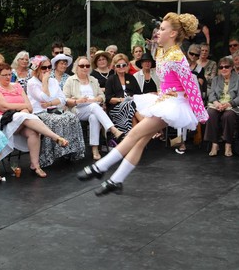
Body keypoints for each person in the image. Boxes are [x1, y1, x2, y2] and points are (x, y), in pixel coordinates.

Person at [78, 12, 208, 196]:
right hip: (163, 100)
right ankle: (116, 180)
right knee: (140, 140)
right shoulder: (162, 51)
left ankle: (100, 167)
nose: (158, 32)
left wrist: (201, 114)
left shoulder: (177, 57)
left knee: (134, 133)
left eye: (162, 29)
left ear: (172, 34)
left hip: (173, 104)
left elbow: (191, 87)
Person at [0, 63, 69, 178]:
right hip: (3, 120)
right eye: (4, 75)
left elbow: (30, 107)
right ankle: (55, 137)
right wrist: (22, 108)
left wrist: (22, 109)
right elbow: (3, 107)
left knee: (33, 132)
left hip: (21, 121)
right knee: (22, 116)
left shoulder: (17, 86)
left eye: (10, 74)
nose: (8, 77)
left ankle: (35, 165)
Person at [27, 56, 85, 167]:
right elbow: (44, 98)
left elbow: (63, 99)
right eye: (44, 68)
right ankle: (51, 155)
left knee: (72, 117)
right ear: (37, 69)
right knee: (56, 120)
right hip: (39, 113)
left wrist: (50, 103)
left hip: (53, 109)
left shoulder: (53, 81)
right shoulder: (32, 83)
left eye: (49, 67)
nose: (47, 70)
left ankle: (70, 152)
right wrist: (44, 82)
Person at [63, 56, 124, 160]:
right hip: (77, 109)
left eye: (87, 65)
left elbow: (102, 96)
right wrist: (78, 101)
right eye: (82, 66)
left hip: (92, 107)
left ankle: (95, 149)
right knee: (94, 107)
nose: (85, 68)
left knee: (94, 117)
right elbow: (64, 99)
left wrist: (95, 99)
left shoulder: (93, 80)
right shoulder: (70, 80)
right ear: (76, 67)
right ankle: (113, 129)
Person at [204, 57, 239, 157]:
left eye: (226, 66)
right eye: (221, 67)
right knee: (210, 113)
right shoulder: (216, 79)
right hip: (218, 104)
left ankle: (228, 144)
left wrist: (229, 104)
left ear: (232, 67)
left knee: (228, 116)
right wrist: (216, 103)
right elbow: (212, 94)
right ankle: (214, 144)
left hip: (233, 105)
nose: (224, 69)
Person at [106, 53, 143, 135]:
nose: (121, 67)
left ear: (127, 65)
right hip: (116, 108)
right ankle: (145, 127)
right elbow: (108, 99)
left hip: (132, 106)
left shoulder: (131, 78)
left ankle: (136, 135)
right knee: (129, 104)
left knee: (132, 108)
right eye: (118, 66)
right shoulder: (111, 79)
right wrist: (121, 100)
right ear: (115, 67)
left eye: (123, 65)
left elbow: (139, 94)